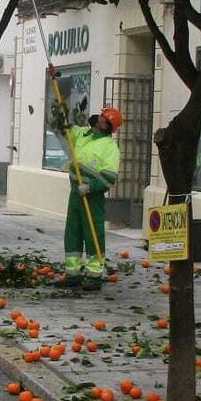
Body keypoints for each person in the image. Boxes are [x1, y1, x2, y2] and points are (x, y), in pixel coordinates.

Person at [57, 105, 122, 292]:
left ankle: (94, 276)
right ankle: (73, 273)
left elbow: (109, 177)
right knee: (72, 233)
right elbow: (67, 129)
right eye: (101, 117)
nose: (101, 120)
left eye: (105, 120)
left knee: (93, 235)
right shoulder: (83, 135)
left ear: (109, 127)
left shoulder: (110, 148)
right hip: (75, 194)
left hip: (92, 198)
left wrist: (91, 187)